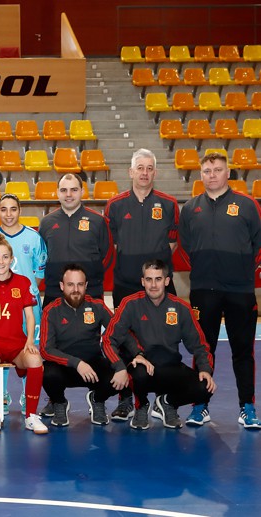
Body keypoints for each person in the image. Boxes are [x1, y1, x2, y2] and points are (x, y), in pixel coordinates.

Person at [178, 151, 261, 429]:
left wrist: (241, 270)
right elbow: (187, 248)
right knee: (203, 349)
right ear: (200, 175)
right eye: (207, 171)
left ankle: (247, 407)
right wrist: (204, 271)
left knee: (243, 350)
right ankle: (200, 405)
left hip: (240, 290)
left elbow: (258, 245)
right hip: (203, 290)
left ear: (228, 173)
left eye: (217, 170)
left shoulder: (248, 205)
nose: (211, 175)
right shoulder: (190, 209)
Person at [103, 149, 179, 421]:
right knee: (125, 341)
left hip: (160, 285)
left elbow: (171, 244)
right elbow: (111, 246)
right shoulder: (115, 205)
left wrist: (155, 276)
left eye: (149, 168)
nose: (145, 172)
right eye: (140, 167)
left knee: (165, 342)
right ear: (131, 171)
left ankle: (162, 398)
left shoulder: (169, 204)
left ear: (155, 173)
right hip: (126, 284)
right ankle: (126, 400)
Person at [102, 260, 216, 430]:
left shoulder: (181, 308)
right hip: (143, 368)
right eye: (149, 279)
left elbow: (200, 346)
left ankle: (167, 403)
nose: (153, 285)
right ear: (142, 282)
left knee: (205, 388)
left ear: (167, 281)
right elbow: (108, 339)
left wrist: (205, 370)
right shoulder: (130, 304)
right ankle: (141, 406)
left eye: (158, 279)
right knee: (138, 374)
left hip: (170, 367)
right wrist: (120, 367)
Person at [0, 235, 48, 435]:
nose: (0, 261)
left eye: (5, 257)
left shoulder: (22, 283)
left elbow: (30, 316)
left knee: (35, 359)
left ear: (12, 259)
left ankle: (31, 415)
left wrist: (30, 340)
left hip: (17, 345)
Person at [0, 193, 48, 414]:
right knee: (0, 344)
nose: (8, 214)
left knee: (29, 347)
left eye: (13, 209)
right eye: (3, 209)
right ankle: (3, 394)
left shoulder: (33, 237)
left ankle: (29, 397)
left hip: (28, 306)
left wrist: (22, 291)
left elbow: (39, 272)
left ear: (20, 210)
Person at [40, 265, 117, 427]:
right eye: (70, 285)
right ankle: (59, 403)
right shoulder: (51, 310)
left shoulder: (98, 306)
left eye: (80, 284)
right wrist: (77, 363)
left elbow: (119, 332)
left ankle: (97, 400)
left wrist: (129, 359)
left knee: (119, 374)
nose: (75, 289)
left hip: (93, 367)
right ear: (62, 286)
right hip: (63, 366)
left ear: (86, 286)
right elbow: (46, 349)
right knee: (46, 373)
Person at [39, 174, 113, 307]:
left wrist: (90, 276)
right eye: (63, 190)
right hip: (55, 292)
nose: (68, 194)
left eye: (74, 190)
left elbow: (107, 255)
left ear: (82, 192)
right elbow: (41, 257)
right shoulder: (46, 223)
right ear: (57, 193)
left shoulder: (98, 221)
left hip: (90, 293)